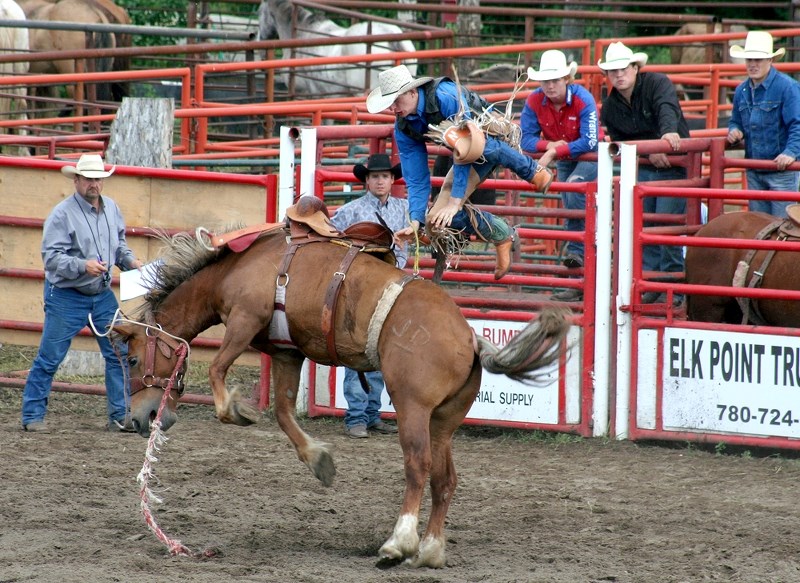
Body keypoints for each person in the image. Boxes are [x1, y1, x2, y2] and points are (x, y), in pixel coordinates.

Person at [365, 64, 553, 280]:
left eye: (396, 100)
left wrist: (455, 201)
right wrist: (415, 221)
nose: (393, 109)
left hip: (488, 135)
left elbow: (467, 146)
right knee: (434, 220)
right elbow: (416, 178)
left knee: (485, 147)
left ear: (412, 91)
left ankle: (532, 170)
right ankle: (502, 233)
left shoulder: (445, 97)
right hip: (464, 152)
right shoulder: (405, 127)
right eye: (390, 104)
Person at [20, 154, 143, 433]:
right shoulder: (61, 214)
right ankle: (32, 415)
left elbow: (119, 245)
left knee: (118, 353)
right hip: (66, 295)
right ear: (76, 180)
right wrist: (82, 265)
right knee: (51, 356)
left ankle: (120, 415)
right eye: (88, 179)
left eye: (98, 179)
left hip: (100, 293)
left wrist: (131, 262)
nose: (94, 184)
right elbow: (51, 259)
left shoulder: (111, 208)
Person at [599, 42, 690, 306]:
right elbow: (620, 141)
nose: (619, 74)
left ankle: (671, 287)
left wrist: (666, 136)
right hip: (644, 168)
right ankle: (653, 283)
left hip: (674, 167)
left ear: (635, 68)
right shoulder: (611, 107)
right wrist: (649, 152)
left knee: (664, 227)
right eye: (613, 70)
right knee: (645, 227)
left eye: (623, 68)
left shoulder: (656, 84)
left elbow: (666, 108)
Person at [330, 153, 408, 439]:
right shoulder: (351, 211)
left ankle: (371, 414)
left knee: (378, 350)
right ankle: (356, 417)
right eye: (375, 176)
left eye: (385, 176)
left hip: (393, 287)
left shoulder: (405, 209)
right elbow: (330, 235)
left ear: (391, 180)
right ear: (367, 180)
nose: (380, 181)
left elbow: (420, 230)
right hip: (360, 290)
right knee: (357, 349)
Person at [521, 49, 603, 302]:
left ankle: (577, 252)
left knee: (574, 188)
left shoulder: (583, 99)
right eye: (546, 80)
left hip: (590, 156)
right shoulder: (535, 101)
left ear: (566, 78)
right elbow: (526, 138)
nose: (550, 85)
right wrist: (551, 147)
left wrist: (556, 149)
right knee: (571, 197)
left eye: (555, 80)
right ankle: (577, 274)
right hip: (567, 156)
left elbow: (590, 141)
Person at [727, 30, 800, 217]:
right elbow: (735, 119)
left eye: (758, 60)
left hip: (781, 170)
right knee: (760, 228)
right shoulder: (741, 90)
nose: (753, 64)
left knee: (782, 227)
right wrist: (735, 130)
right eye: (749, 59)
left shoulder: (787, 87)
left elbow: (797, 124)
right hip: (756, 169)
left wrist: (791, 152)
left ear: (770, 61)